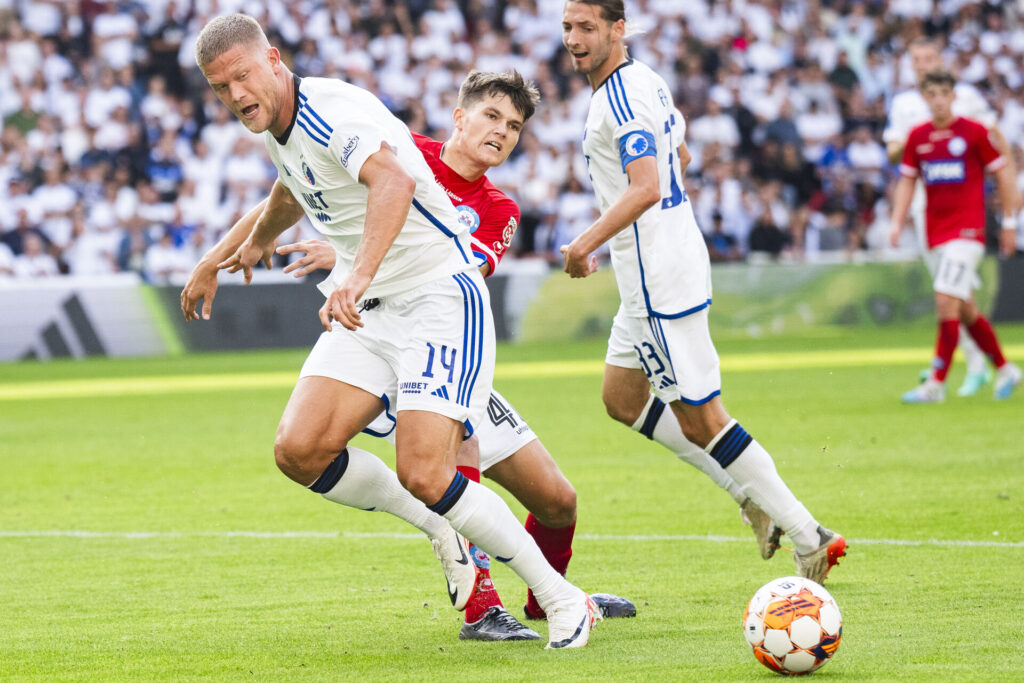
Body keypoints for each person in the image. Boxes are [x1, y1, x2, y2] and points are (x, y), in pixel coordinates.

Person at [180, 14, 598, 649]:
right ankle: (438, 526)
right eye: (219, 87)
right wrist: (231, 253)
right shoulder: (280, 125)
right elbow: (293, 190)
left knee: (431, 471)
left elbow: (394, 182)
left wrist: (354, 275)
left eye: (241, 77)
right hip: (373, 310)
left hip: (436, 300)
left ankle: (561, 599)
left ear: (272, 58)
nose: (235, 95)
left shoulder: (330, 110)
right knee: (299, 450)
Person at [275, 70, 635, 642]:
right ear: (459, 117)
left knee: (558, 501)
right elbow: (308, 185)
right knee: (439, 454)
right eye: (492, 116)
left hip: (446, 334)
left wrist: (349, 252)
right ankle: (483, 607)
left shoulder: (499, 209)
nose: (502, 132)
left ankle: (548, 600)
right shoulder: (404, 154)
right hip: (383, 332)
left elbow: (452, 262)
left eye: (514, 127)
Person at [558, 0, 846, 584]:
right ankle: (750, 496)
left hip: (658, 277)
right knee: (621, 396)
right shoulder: (646, 81)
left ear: (617, 28)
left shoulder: (620, 94)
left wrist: (583, 243)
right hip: (657, 267)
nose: (574, 39)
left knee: (700, 418)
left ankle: (808, 531)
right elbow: (680, 155)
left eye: (586, 27)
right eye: (567, 27)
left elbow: (646, 186)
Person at [883, 37, 1023, 397]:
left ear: (954, 94)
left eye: (945, 93)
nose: (939, 99)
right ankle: (1004, 369)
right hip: (933, 227)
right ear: (925, 97)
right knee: (963, 306)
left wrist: (1010, 221)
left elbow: (1002, 168)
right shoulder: (916, 134)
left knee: (946, 297)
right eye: (933, 94)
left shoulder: (974, 130)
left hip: (967, 229)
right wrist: (897, 222)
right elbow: (906, 181)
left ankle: (936, 383)